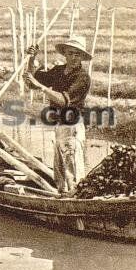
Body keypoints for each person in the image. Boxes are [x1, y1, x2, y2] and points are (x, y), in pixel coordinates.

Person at [23, 35, 92, 193]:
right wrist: (31, 59)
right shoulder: (59, 71)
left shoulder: (82, 77)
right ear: (65, 54)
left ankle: (75, 200)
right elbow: (30, 82)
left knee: (72, 170)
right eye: (70, 53)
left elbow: (63, 101)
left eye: (77, 54)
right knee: (60, 171)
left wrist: (41, 87)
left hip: (72, 127)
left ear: (82, 56)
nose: (73, 57)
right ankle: (62, 198)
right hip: (60, 125)